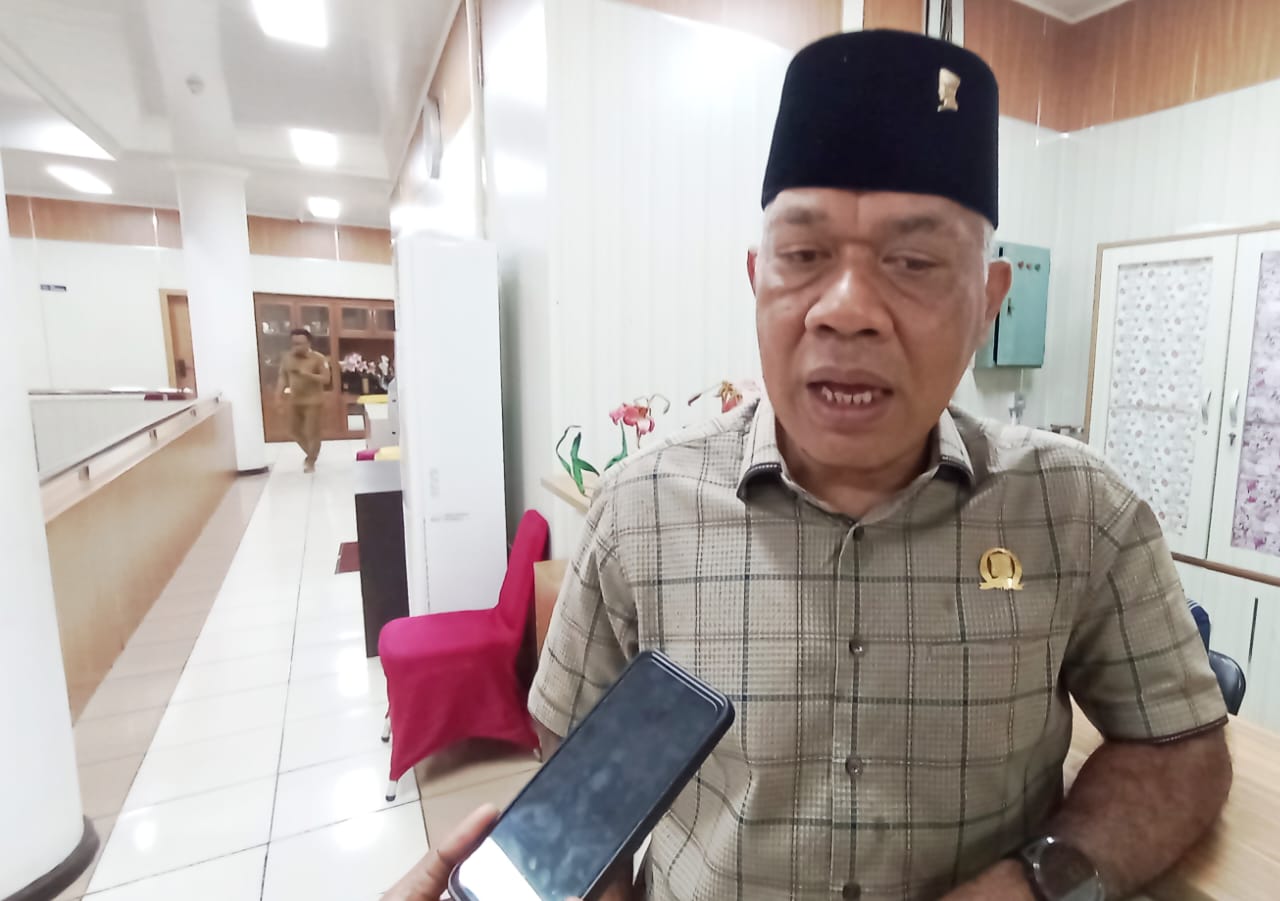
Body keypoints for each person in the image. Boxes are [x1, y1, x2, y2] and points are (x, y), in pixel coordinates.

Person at [387, 29, 1230, 901]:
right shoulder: (639, 512)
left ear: (988, 301)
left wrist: (1034, 884)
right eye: (803, 256)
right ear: (758, 279)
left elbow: (1181, 746)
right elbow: (575, 799)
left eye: (912, 262)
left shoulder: (1082, 511)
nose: (847, 309)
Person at [276, 327, 332, 472]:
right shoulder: (287, 358)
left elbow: (326, 379)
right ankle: (312, 453)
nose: (297, 347)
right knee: (293, 431)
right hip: (294, 401)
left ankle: (311, 461)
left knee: (312, 432)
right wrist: (278, 397)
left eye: (300, 343)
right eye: (294, 343)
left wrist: (307, 375)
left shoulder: (318, 358)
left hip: (314, 402)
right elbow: (282, 378)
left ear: (308, 343)